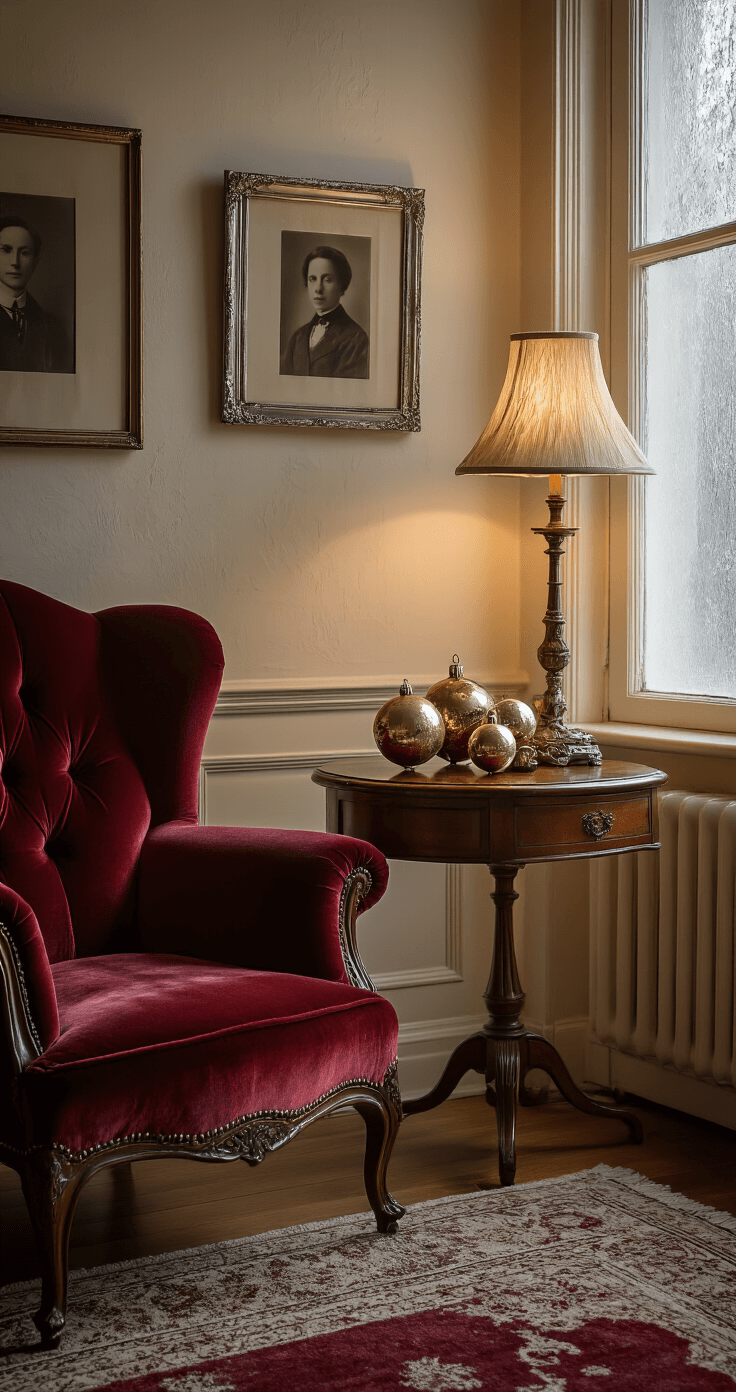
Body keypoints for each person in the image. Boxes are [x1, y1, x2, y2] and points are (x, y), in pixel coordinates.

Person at [281, 244, 369, 378]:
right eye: (312, 279)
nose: (318, 288)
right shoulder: (297, 337)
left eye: (327, 279)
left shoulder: (356, 339)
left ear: (342, 286)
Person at [0, 215, 71, 373]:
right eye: (6, 250)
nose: (15, 262)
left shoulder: (52, 326)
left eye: (24, 253)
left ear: (35, 262)